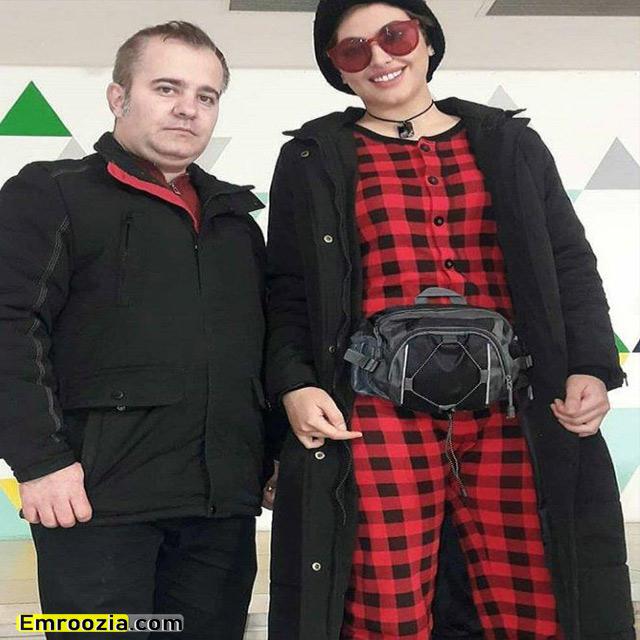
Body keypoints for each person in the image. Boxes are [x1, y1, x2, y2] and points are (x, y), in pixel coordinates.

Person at [265, 1, 634, 639]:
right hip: (375, 411)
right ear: (338, 69)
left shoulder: (510, 144)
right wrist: (295, 382)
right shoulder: (312, 156)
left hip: (513, 407)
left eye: (395, 35)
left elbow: (568, 262)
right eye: (354, 49)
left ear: (428, 41)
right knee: (384, 606)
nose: (380, 57)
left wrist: (592, 367)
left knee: (537, 597)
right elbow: (289, 288)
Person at [0, 21, 272, 640]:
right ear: (118, 97)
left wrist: (274, 455)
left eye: (206, 96)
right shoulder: (52, 194)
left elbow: (258, 348)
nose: (188, 108)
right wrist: (40, 461)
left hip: (221, 509)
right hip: (94, 505)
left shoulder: (236, 221)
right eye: (167, 88)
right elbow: (10, 325)